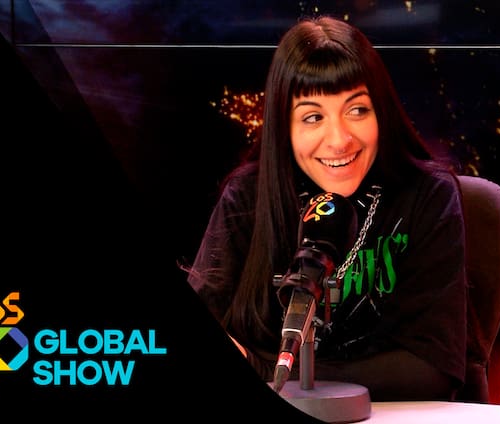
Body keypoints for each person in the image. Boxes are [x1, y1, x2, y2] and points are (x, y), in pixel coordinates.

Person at [185, 15, 468, 401]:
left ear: (381, 112)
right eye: (313, 117)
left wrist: (266, 370)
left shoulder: (429, 196)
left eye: (357, 111)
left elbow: (432, 369)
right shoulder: (247, 197)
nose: (339, 140)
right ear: (284, 126)